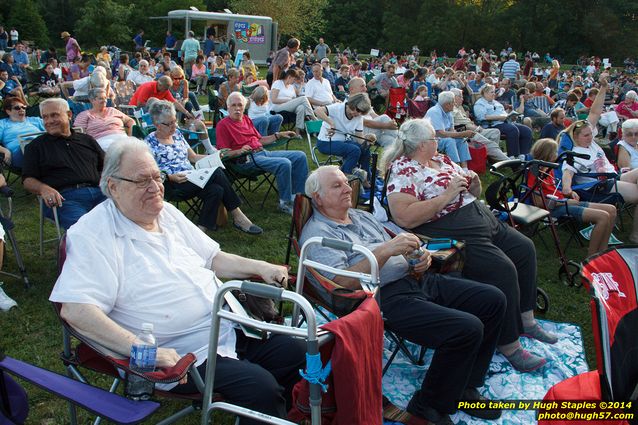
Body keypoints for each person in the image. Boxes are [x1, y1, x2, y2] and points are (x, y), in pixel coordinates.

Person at [49, 137, 304, 424]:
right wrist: (145, 350)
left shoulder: (166, 213)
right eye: (142, 180)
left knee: (298, 353)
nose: (156, 187)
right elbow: (76, 310)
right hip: (181, 355)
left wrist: (261, 266)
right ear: (113, 187)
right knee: (260, 389)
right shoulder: (92, 234)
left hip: (229, 325)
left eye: (157, 177)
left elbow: (213, 258)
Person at [301, 165, 506, 425]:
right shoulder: (319, 235)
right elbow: (339, 282)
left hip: (416, 280)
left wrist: (419, 256)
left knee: (493, 300)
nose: (347, 188)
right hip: (379, 298)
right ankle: (428, 406)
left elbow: (403, 241)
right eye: (337, 185)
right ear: (317, 198)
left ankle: (466, 386)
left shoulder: (360, 216)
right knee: (466, 328)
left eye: (346, 182)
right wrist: (386, 251)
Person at [383, 118, 558, 372]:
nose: (439, 141)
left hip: (478, 216)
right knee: (502, 269)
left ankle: (526, 319)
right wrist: (447, 195)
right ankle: (508, 344)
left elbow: (470, 194)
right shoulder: (403, 170)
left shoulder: (440, 159)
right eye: (434, 138)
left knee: (524, 248)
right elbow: (404, 217)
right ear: (421, 145)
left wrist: (473, 185)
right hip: (450, 228)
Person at [144, 100, 261, 234]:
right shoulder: (149, 143)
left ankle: (201, 231)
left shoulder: (177, 135)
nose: (174, 126)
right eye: (169, 124)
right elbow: (150, 172)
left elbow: (193, 157)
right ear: (156, 124)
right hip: (173, 183)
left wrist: (217, 156)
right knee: (216, 173)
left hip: (193, 178)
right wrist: (171, 177)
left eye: (175, 121)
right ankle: (237, 215)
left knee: (216, 189)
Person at [216, 92, 308, 215]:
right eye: (233, 105)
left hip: (262, 153)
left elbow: (260, 140)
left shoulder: (247, 119)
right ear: (228, 107)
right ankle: (284, 203)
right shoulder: (223, 125)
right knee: (284, 163)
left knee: (300, 156)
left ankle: (297, 197)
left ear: (244, 107)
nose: (237, 108)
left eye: (240, 105)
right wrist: (239, 151)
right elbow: (223, 153)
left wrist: (278, 135)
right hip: (244, 160)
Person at [22, 98, 106, 230]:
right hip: (65, 199)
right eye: (45, 117)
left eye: (54, 115)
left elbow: (107, 166)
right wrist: (43, 189)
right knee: (86, 230)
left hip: (100, 193)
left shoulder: (86, 140)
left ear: (69, 115)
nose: (49, 121)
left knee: (126, 219)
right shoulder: (36, 147)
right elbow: (27, 180)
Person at [529, 138, 616, 256]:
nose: (557, 155)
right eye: (555, 152)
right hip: (555, 208)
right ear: (548, 154)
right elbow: (539, 203)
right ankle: (592, 256)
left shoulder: (549, 169)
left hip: (564, 202)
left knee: (611, 209)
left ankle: (603, 250)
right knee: (603, 217)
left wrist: (569, 194)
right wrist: (565, 201)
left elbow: (553, 191)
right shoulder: (535, 172)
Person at [559, 119, 638, 242]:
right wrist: (566, 188)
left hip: (614, 176)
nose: (590, 137)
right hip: (599, 186)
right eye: (586, 135)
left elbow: (595, 114)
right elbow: (568, 173)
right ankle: (635, 235)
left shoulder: (592, 144)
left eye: (591, 133)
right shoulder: (575, 153)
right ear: (575, 137)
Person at [315, 93, 376, 182]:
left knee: (365, 149)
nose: (359, 114)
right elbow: (317, 110)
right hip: (325, 142)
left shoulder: (359, 117)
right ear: (353, 105)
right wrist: (331, 123)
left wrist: (366, 141)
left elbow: (359, 138)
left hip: (343, 142)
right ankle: (345, 176)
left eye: (361, 112)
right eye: (358, 110)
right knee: (354, 150)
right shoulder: (338, 107)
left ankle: (367, 178)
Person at [474, 84, 533, 157]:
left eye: (494, 92)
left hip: (505, 122)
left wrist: (510, 116)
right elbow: (482, 117)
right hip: (492, 124)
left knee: (526, 130)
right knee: (512, 130)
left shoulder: (495, 102)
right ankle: (513, 156)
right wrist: (499, 117)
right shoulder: (479, 104)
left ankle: (523, 155)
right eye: (491, 92)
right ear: (485, 93)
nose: (494, 94)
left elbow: (504, 113)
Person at [450, 88, 508, 162]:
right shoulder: (452, 109)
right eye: (460, 97)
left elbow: (466, 121)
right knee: (491, 144)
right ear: (454, 97)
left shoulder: (460, 107)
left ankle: (491, 157)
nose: (462, 99)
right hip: (468, 133)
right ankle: (508, 162)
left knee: (495, 132)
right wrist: (475, 128)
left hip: (474, 129)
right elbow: (455, 125)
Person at [425, 91, 473, 167]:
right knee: (450, 141)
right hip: (432, 139)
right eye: (453, 102)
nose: (455, 104)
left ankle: (465, 168)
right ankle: (456, 167)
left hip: (443, 138)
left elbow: (452, 130)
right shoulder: (434, 112)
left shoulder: (449, 113)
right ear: (447, 105)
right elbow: (440, 133)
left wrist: (462, 135)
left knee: (462, 139)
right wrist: (462, 133)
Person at [348, 77, 398, 147]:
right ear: (352, 89)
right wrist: (387, 125)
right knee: (384, 117)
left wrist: (388, 124)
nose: (365, 89)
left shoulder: (364, 100)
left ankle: (397, 153)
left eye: (365, 86)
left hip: (375, 130)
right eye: (362, 86)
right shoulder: (349, 103)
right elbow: (365, 123)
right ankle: (404, 140)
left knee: (390, 140)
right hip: (361, 133)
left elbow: (374, 115)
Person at [0, 97, 44, 168]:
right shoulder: (2, 123)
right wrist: (5, 150)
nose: (22, 110)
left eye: (24, 107)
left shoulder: (35, 120)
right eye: (17, 108)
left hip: (42, 147)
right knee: (30, 142)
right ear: (8, 111)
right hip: (18, 153)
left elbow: (52, 130)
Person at [270, 69, 315, 135]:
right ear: (289, 77)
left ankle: (297, 133)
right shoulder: (278, 83)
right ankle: (313, 117)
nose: (294, 81)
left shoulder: (291, 87)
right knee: (303, 98)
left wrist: (292, 101)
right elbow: (273, 100)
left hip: (288, 106)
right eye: (293, 79)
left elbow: (294, 99)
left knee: (301, 107)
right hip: (277, 107)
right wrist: (288, 100)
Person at [129, 76, 193, 119]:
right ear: (159, 85)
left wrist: (186, 112)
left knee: (168, 109)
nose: (167, 90)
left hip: (150, 109)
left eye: (168, 88)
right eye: (165, 88)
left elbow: (175, 103)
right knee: (158, 109)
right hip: (135, 109)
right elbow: (139, 104)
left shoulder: (165, 90)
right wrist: (157, 104)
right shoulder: (147, 87)